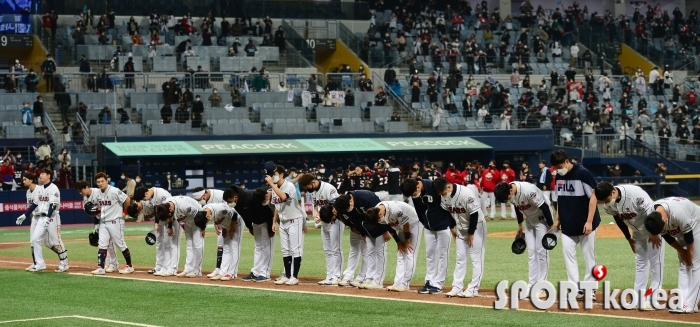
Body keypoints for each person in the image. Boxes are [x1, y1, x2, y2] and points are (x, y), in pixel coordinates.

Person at [595, 182, 663, 310]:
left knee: (656, 263)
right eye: (603, 200)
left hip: (652, 229)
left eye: (607, 199)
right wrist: (628, 238)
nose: (605, 202)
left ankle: (654, 298)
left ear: (613, 192)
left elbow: (652, 212)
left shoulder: (634, 194)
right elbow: (618, 218)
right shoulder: (608, 205)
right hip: (637, 233)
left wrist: (654, 232)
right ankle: (637, 297)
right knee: (641, 263)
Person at [550, 150, 601, 299]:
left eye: (560, 166)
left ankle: (590, 289)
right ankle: (575, 288)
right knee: (568, 256)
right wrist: (558, 219)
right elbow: (560, 199)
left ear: (567, 161)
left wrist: (590, 221)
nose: (558, 170)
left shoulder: (582, 173)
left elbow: (593, 197)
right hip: (567, 224)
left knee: (588, 256)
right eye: (556, 167)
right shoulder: (559, 176)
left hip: (586, 224)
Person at [494, 181, 554, 299]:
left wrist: (551, 226)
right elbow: (517, 206)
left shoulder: (528, 191)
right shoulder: (509, 192)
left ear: (511, 190)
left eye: (508, 197)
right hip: (530, 221)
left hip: (543, 219)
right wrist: (520, 224)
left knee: (542, 252)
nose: (508, 199)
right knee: (532, 253)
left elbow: (544, 207)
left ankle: (542, 287)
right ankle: (532, 286)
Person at [644, 197, 700, 314]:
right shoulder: (652, 216)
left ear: (664, 219)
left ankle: (691, 304)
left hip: (696, 224)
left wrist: (689, 251)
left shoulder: (678, 212)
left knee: (695, 263)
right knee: (684, 264)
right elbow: (667, 235)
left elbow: (689, 234)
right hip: (680, 229)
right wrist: (681, 251)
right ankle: (683, 301)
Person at [433, 177, 486, 298]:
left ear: (449, 186)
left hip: (476, 227)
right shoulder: (444, 195)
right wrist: (452, 228)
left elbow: (474, 214)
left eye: (443, 192)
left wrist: (471, 233)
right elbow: (447, 212)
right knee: (460, 257)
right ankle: (457, 287)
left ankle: (473, 288)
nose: (442, 195)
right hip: (461, 228)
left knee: (476, 257)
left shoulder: (466, 193)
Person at [401, 178, 454, 294]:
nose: (414, 196)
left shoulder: (434, 186)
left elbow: (447, 204)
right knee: (429, 254)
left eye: (414, 193)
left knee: (442, 255)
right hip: (428, 228)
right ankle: (429, 281)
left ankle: (439, 283)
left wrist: (450, 224)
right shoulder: (414, 192)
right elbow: (419, 211)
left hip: (443, 226)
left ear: (418, 187)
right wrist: (424, 223)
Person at [78, 174, 134, 275]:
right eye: (98, 182)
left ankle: (129, 266)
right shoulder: (97, 193)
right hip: (103, 222)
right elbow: (99, 207)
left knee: (120, 244)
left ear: (106, 181)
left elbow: (127, 200)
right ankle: (101, 267)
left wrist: (125, 212)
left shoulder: (114, 190)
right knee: (102, 244)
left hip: (115, 221)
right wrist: (95, 212)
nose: (100, 183)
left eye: (102, 181)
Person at [364, 201, 423, 292]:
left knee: (409, 252)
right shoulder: (376, 211)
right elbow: (388, 226)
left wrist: (407, 240)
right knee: (401, 253)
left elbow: (406, 224)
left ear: (380, 214)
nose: (379, 222)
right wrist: (398, 241)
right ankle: (397, 283)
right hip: (401, 226)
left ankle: (405, 284)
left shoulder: (395, 210)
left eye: (378, 220)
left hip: (413, 223)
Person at [19, 169, 69, 272]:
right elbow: (35, 204)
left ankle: (64, 263)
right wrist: (25, 215)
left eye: (42, 174)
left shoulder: (53, 188)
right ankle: (40, 264)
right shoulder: (40, 189)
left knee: (56, 241)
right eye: (40, 174)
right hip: (41, 218)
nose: (40, 176)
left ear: (48, 176)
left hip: (52, 218)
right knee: (35, 239)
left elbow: (53, 205)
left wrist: (47, 217)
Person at [265, 164, 307, 285]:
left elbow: (283, 197)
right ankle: (287, 275)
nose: (273, 177)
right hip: (283, 222)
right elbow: (277, 207)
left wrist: (272, 185)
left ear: (282, 174)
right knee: (285, 250)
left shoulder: (289, 186)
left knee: (295, 249)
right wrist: (274, 222)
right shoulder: (275, 188)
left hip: (295, 220)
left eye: (275, 174)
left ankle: (295, 276)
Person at [299, 174, 344, 285]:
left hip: (335, 221)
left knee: (335, 249)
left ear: (313, 182)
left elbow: (337, 204)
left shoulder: (329, 188)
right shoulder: (313, 191)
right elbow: (316, 205)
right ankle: (329, 276)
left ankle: (337, 276)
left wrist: (325, 215)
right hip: (324, 223)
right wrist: (316, 213)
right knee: (327, 250)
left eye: (308, 186)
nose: (307, 189)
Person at [129, 186, 174, 275]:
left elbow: (168, 210)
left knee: (168, 244)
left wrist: (168, 226)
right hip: (160, 223)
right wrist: (156, 225)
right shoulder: (143, 200)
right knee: (159, 244)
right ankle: (159, 267)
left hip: (169, 220)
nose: (141, 201)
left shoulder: (160, 195)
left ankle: (168, 267)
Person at [156, 195, 204, 277]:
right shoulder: (167, 205)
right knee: (189, 245)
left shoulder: (184, 206)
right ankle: (188, 269)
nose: (168, 218)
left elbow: (199, 214)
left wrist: (202, 227)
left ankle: (197, 270)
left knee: (198, 246)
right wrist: (170, 227)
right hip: (187, 222)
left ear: (170, 209)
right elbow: (170, 216)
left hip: (198, 220)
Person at [238, 187, 276, 282]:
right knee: (258, 247)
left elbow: (269, 217)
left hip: (266, 224)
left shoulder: (264, 204)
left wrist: (270, 230)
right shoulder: (252, 201)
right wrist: (250, 227)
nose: (265, 200)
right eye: (264, 198)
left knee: (267, 247)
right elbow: (245, 215)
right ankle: (256, 272)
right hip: (256, 224)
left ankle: (265, 273)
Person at [201, 202, 243, 281]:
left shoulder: (221, 210)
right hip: (227, 224)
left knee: (234, 247)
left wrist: (232, 229)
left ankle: (231, 273)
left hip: (237, 222)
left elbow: (234, 215)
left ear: (207, 216)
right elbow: (221, 219)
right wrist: (223, 227)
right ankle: (222, 272)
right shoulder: (204, 211)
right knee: (226, 247)